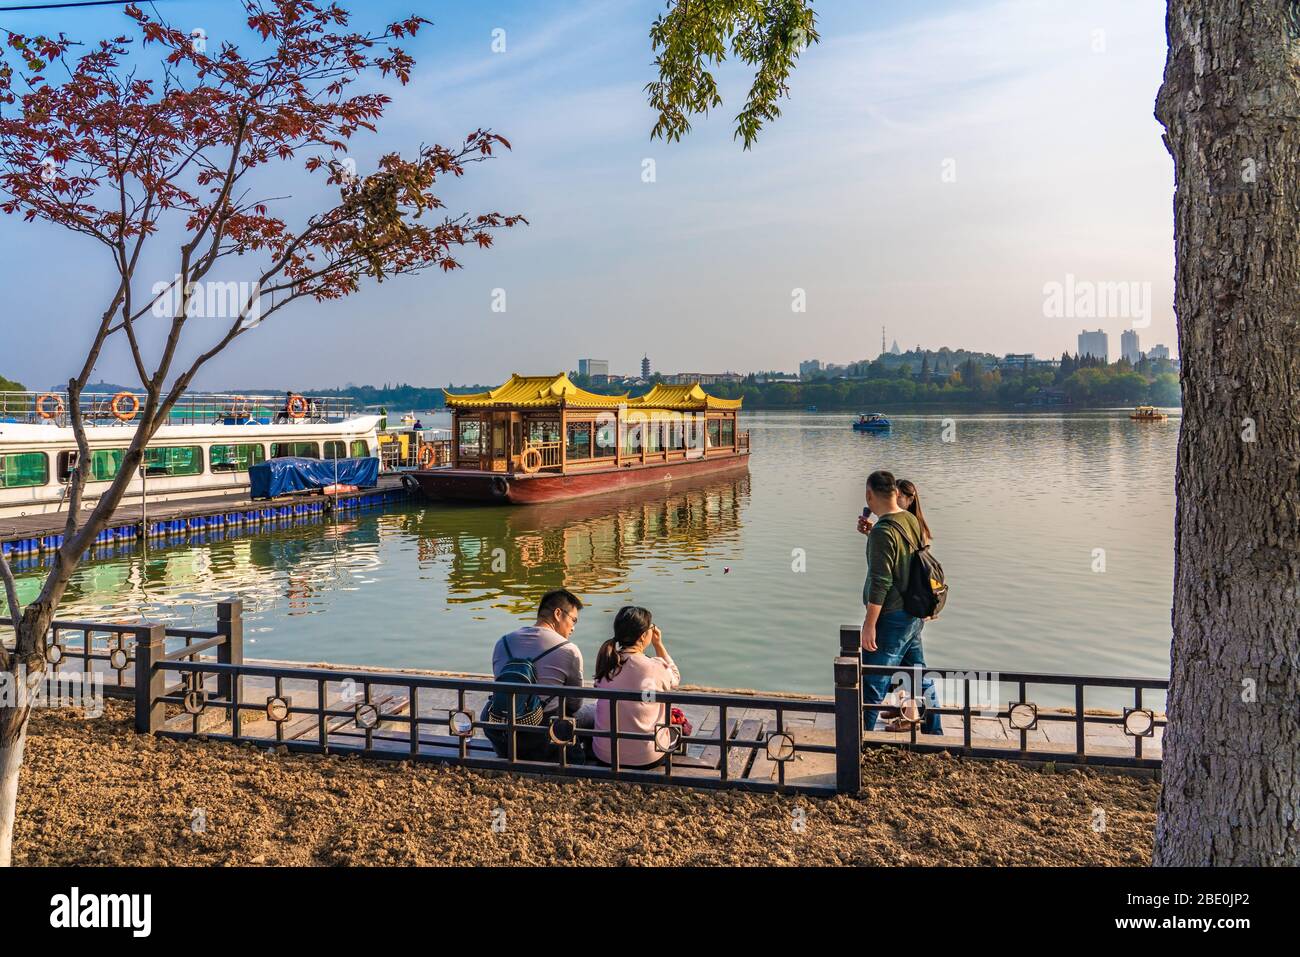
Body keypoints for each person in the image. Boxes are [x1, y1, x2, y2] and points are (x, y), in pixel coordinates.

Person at [859, 470, 943, 735]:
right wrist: (873, 535)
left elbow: (881, 581)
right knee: (919, 677)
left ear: (869, 495)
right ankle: (934, 733)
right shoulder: (909, 519)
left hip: (891, 617)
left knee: (873, 681)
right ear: (895, 493)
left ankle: (858, 741)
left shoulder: (883, 533)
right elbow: (903, 557)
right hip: (913, 614)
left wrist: (869, 625)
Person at [482, 588, 591, 761]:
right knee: (591, 713)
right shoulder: (568, 649)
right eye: (573, 619)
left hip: (503, 734)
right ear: (558, 614)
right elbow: (575, 704)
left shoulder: (503, 642)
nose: (573, 628)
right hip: (543, 735)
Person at [588, 606, 681, 769]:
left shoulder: (607, 662)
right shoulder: (654, 666)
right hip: (646, 757)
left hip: (604, 755)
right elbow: (675, 679)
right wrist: (659, 645)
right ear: (644, 635)